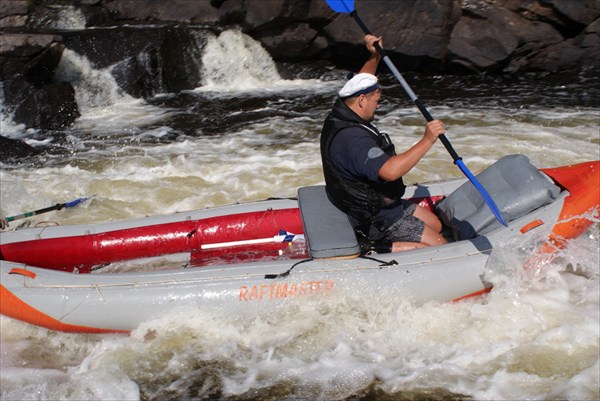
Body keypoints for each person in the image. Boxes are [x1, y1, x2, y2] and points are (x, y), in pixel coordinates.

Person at [320, 34, 448, 253]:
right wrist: (427, 140)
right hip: (373, 217)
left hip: (379, 202)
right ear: (362, 100)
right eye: (377, 101)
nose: (378, 107)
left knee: (436, 224)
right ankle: (378, 246)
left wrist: (375, 56)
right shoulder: (353, 139)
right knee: (442, 247)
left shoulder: (342, 110)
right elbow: (390, 171)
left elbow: (362, 79)